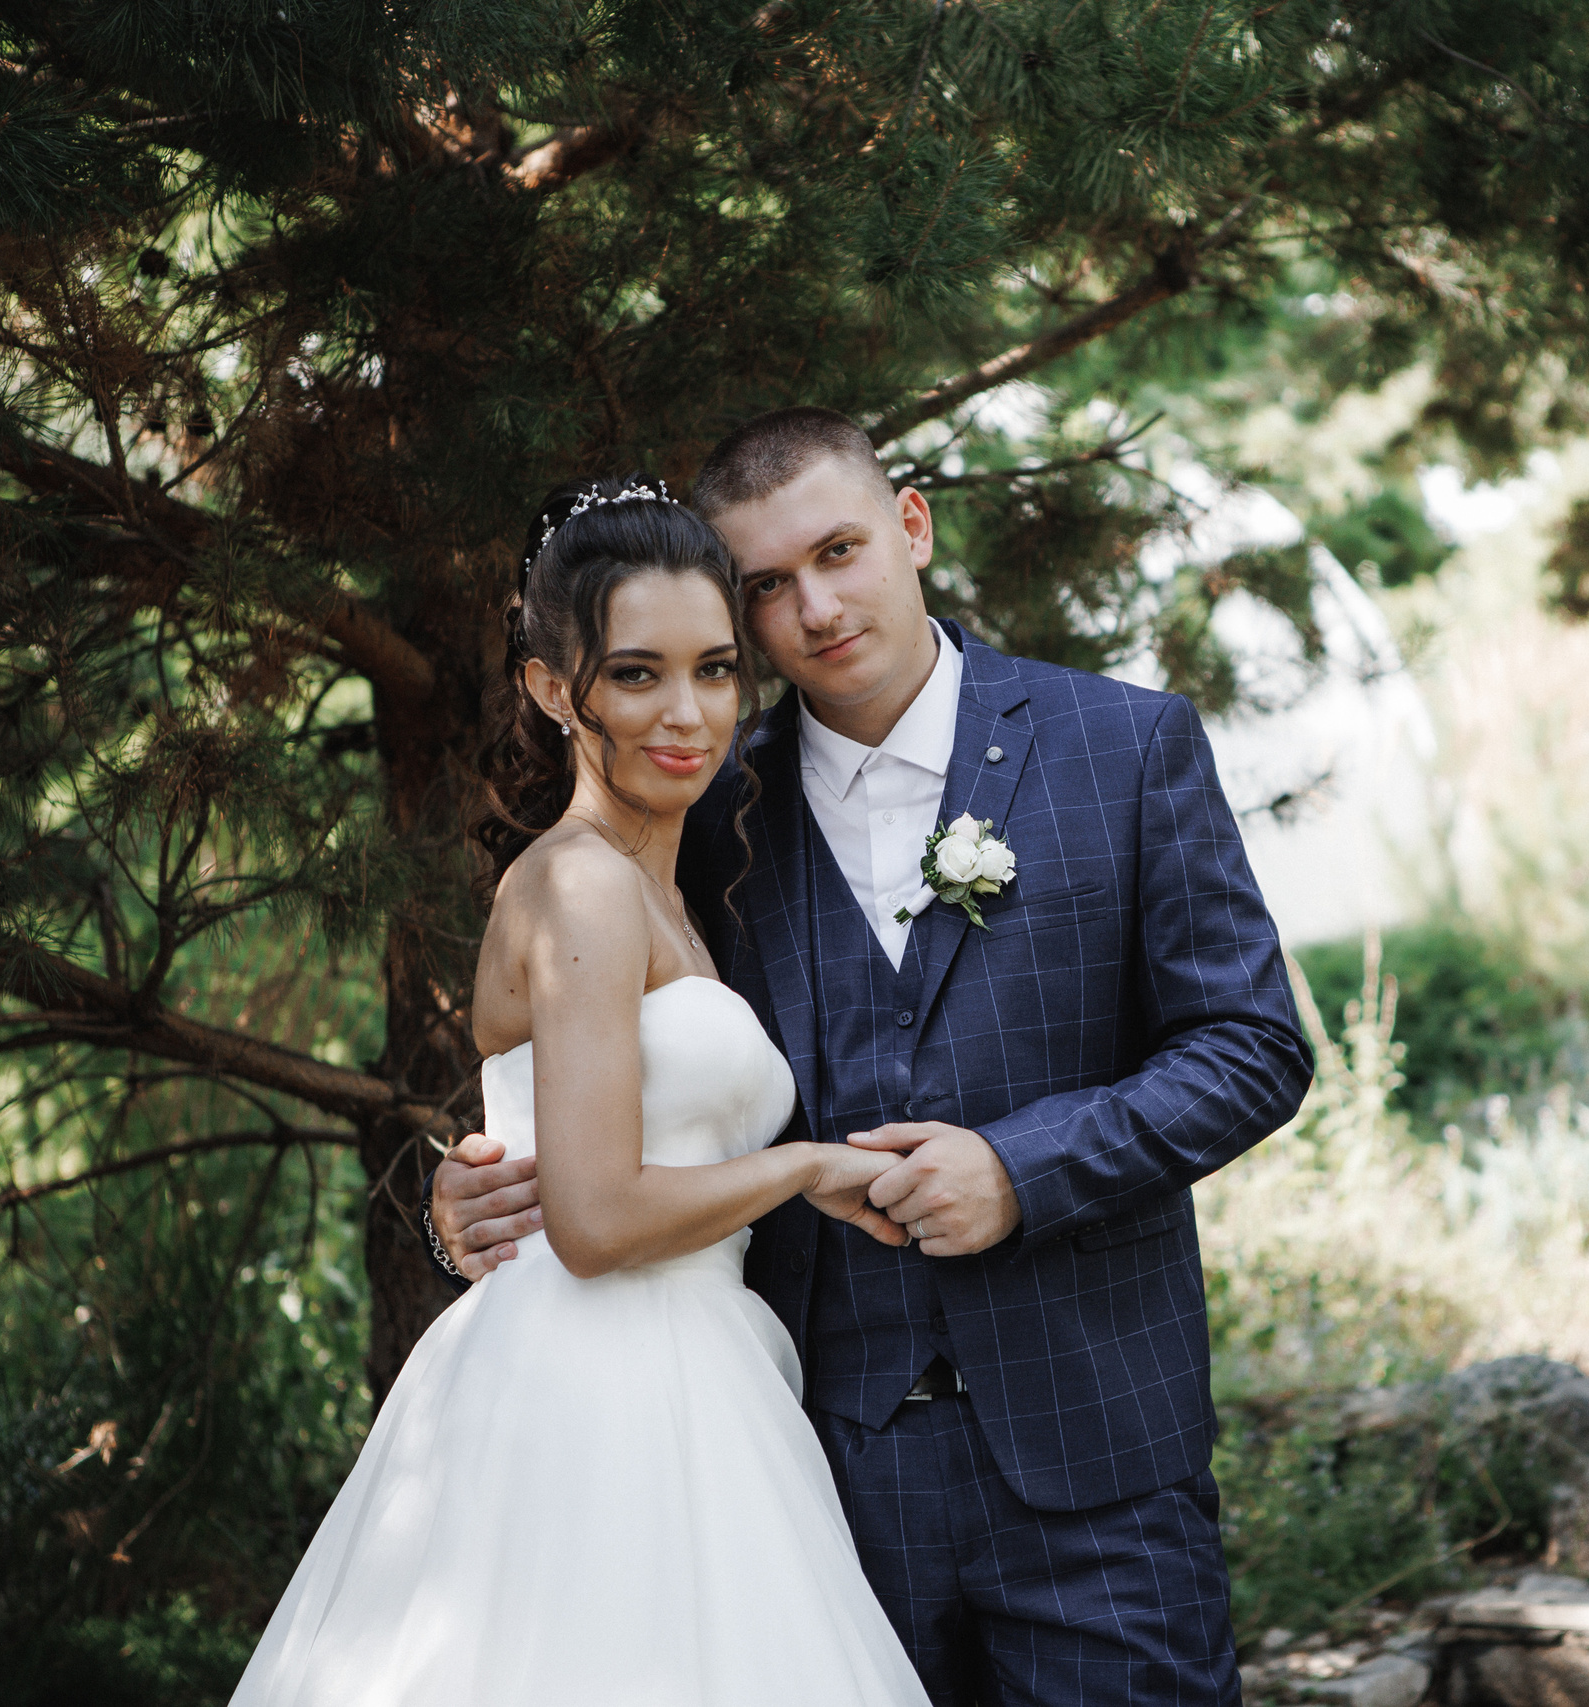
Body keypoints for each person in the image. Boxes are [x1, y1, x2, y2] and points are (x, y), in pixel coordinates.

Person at [431, 410, 1315, 1705]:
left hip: (1098, 1462)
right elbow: (608, 1081)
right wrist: (470, 1199)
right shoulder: (706, 810)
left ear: (912, 525)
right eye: (768, 587)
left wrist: (1022, 1168)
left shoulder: (1124, 749)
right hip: (813, 1474)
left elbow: (1250, 1046)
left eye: (840, 550)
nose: (816, 608)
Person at [230, 482, 930, 1707]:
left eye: (715, 670)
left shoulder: (666, 886)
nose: (688, 714)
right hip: (602, 1381)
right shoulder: (585, 887)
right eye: (635, 674)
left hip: (692, 1368)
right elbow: (596, 1225)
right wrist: (812, 1167)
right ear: (555, 689)